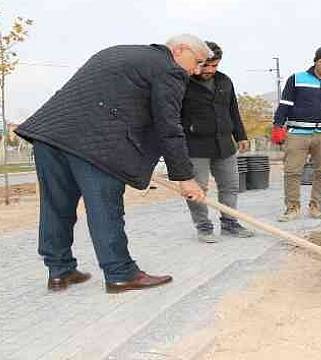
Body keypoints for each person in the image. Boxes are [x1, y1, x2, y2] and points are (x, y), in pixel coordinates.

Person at [15, 34, 211, 293]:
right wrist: (185, 177)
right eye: (196, 62)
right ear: (179, 49)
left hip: (51, 136)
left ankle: (59, 271)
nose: (196, 70)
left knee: (56, 206)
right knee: (104, 209)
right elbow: (168, 125)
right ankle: (120, 274)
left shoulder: (118, 51)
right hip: (96, 146)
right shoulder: (168, 68)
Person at [180, 41, 253, 242]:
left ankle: (230, 224)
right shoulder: (183, 82)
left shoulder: (224, 81)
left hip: (224, 145)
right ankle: (203, 227)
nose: (210, 70)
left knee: (230, 186)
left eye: (215, 66)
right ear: (197, 61)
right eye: (206, 65)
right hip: (195, 146)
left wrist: (241, 135)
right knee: (198, 190)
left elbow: (233, 110)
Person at [271, 46, 321, 221]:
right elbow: (285, 104)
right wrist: (278, 126)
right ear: (315, 60)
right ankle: (292, 208)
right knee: (292, 171)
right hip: (298, 133)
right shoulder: (297, 79)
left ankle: (316, 207)